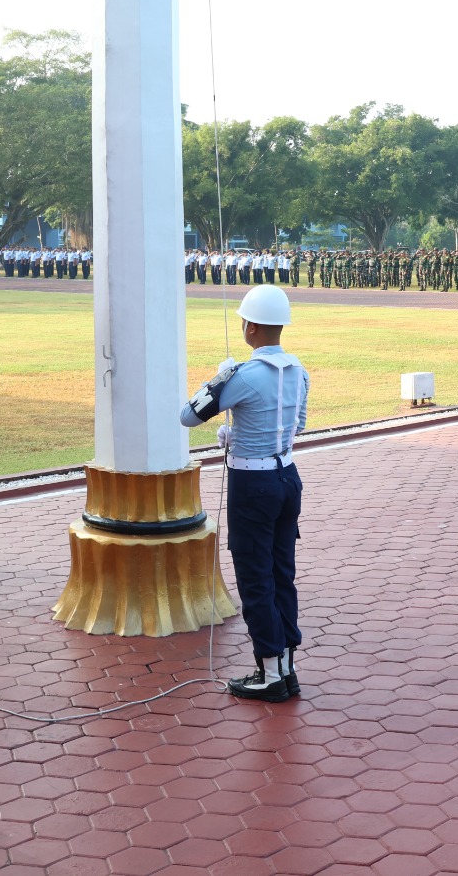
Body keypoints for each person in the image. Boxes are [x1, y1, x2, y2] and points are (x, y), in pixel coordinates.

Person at [180, 284, 309, 703]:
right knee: (280, 573)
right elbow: (297, 424)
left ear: (251, 327)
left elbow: (188, 415)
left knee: (255, 578)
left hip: (253, 484)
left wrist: (219, 378)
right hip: (287, 475)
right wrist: (242, 432)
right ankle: (286, 666)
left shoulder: (245, 375)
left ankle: (269, 672)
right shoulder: (297, 370)